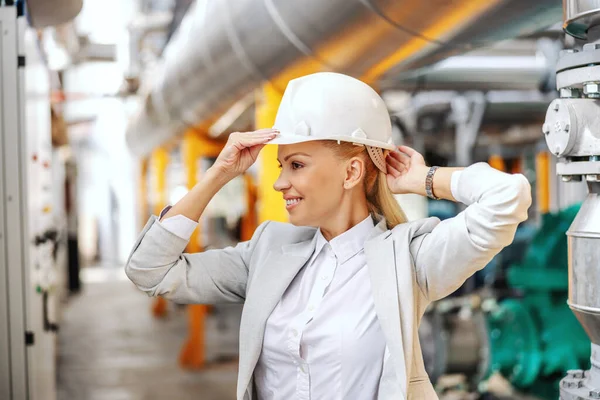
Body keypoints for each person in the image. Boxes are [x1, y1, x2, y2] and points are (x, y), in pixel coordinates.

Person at [125, 72, 531, 400]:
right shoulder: (268, 251)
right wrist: (218, 174)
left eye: (296, 165)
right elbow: (150, 271)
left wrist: (422, 180)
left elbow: (507, 197)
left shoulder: (410, 259)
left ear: (351, 172)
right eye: (282, 165)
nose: (280, 182)